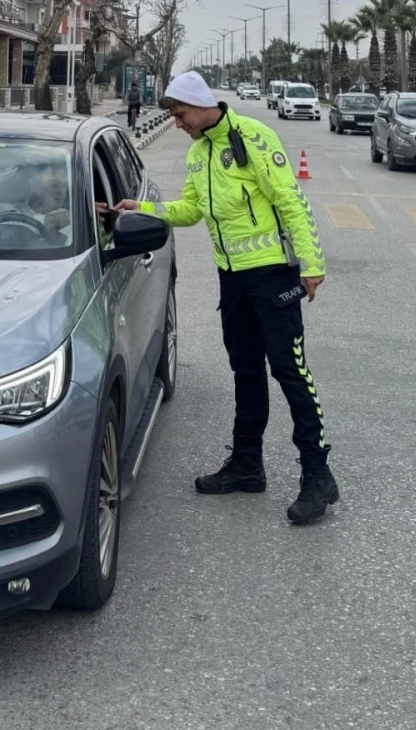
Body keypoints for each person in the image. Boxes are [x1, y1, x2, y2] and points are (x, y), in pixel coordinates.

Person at [103, 70, 339, 525]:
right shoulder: (198, 154)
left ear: (199, 103)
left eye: (180, 114)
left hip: (273, 276)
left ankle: (317, 474)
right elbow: (191, 210)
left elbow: (291, 200)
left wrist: (311, 264)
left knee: (290, 372)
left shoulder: (253, 137)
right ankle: (247, 465)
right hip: (232, 281)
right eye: (172, 117)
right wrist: (143, 208)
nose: (178, 123)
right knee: (245, 370)